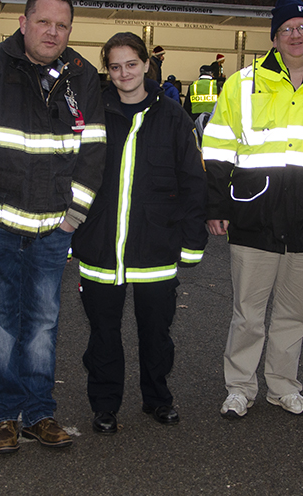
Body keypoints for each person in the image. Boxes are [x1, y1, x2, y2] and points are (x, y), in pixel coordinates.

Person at [0, 0, 106, 454]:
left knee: (43, 322)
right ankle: (3, 417)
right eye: (44, 22)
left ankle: (38, 413)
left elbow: (93, 150)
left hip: (54, 228)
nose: (53, 32)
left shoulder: (80, 76)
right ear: (23, 23)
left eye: (62, 25)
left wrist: (74, 215)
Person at [202, 0, 303, 419]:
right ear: (273, 37)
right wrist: (215, 204)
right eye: (286, 28)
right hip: (254, 213)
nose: (295, 35)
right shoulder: (242, 83)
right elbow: (217, 148)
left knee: (295, 313)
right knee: (248, 313)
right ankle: (239, 387)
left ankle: (283, 385)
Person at [72, 32, 207, 434]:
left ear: (147, 64)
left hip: (156, 246)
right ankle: (105, 404)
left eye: (131, 64)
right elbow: (73, 171)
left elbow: (192, 182)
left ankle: (157, 399)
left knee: (156, 334)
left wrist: (192, 241)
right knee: (103, 336)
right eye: (114, 66)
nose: (123, 73)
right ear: (107, 71)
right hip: (100, 247)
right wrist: (72, 231)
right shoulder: (93, 113)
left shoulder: (173, 117)